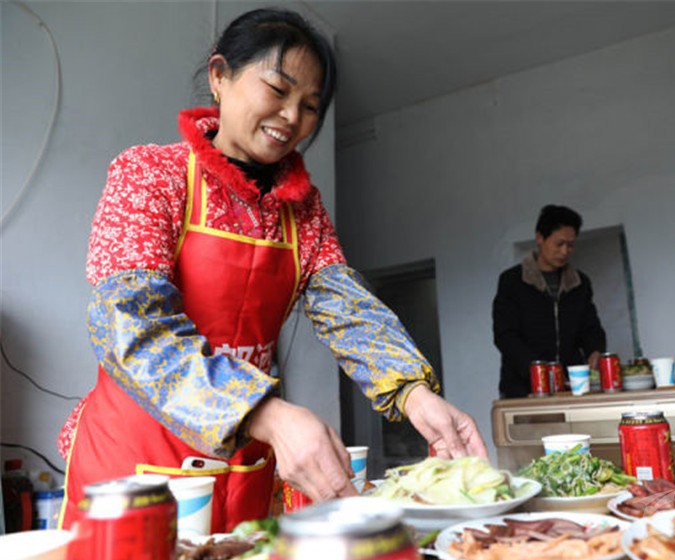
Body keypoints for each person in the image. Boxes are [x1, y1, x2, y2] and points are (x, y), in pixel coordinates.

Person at [56, 8, 486, 533]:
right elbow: (130, 328)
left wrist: (416, 395)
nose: (291, 117)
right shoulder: (151, 175)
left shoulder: (302, 210)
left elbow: (348, 311)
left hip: (243, 470)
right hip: (133, 464)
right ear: (220, 76)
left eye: (310, 106)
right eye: (278, 90)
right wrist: (267, 413)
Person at [492, 204, 607, 398]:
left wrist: (595, 350)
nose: (565, 251)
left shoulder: (580, 283)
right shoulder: (512, 281)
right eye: (559, 244)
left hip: (570, 386)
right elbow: (505, 335)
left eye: (570, 245)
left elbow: (590, 327)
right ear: (540, 237)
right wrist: (537, 371)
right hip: (522, 387)